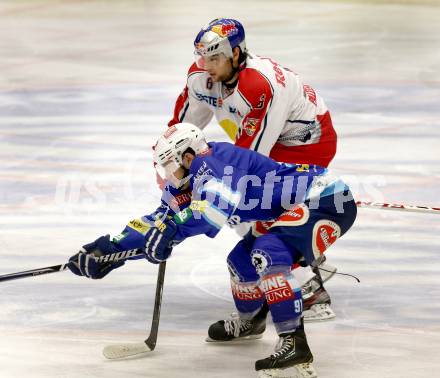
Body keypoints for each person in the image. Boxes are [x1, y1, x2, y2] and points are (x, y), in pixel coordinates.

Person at [69, 123, 357, 378]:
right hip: (287, 208)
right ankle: (251, 321)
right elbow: (159, 221)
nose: (167, 175)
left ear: (188, 155)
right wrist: (108, 249)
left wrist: (172, 231)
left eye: (169, 166)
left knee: (267, 254)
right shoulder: (188, 178)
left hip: (326, 199)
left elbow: (212, 212)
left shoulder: (216, 162)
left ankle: (294, 344)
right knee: (240, 261)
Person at [168, 18, 338, 321]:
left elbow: (249, 162)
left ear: (236, 53)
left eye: (215, 57)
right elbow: (181, 132)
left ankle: (309, 290)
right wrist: (174, 175)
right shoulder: (200, 78)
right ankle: (307, 258)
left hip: (308, 144)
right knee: (245, 204)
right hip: (269, 143)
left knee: (254, 203)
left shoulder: (260, 85)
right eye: (202, 57)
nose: (207, 65)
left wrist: (202, 190)